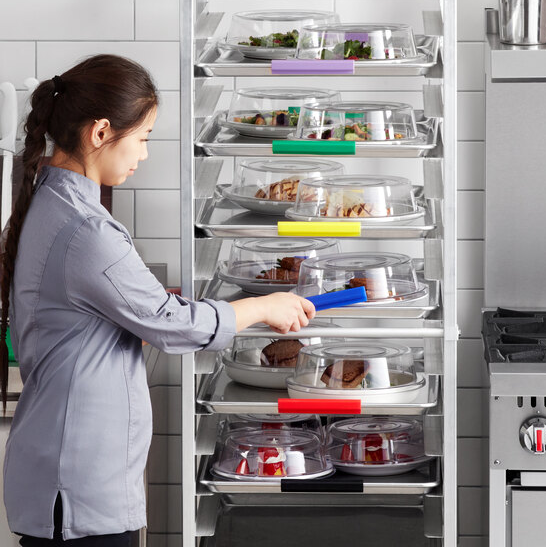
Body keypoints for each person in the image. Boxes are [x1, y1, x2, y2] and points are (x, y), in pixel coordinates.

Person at [0, 54, 315, 545]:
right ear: (101, 132)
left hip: (61, 472)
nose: (144, 154)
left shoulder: (50, 201)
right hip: (79, 484)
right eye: (143, 138)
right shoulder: (86, 228)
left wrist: (140, 310)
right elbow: (174, 326)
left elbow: (100, 311)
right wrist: (261, 306)